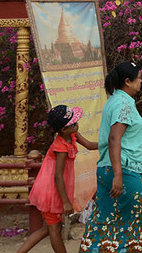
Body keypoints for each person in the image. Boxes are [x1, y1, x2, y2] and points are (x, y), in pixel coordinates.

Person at [78, 61, 142, 253]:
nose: (141, 81)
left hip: (111, 168)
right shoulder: (122, 104)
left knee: (106, 221)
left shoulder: (115, 100)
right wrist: (118, 174)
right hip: (123, 170)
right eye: (138, 78)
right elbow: (114, 138)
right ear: (128, 81)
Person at [17, 105, 97, 253]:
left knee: (48, 228)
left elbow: (89, 145)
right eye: (73, 123)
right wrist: (66, 201)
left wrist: (111, 143)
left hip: (56, 189)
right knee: (54, 230)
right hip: (51, 191)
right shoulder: (60, 146)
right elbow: (58, 176)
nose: (76, 124)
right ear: (63, 130)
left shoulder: (72, 135)